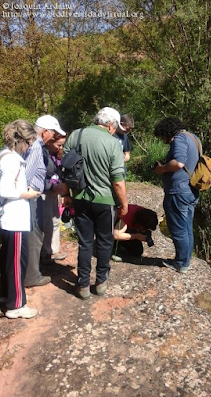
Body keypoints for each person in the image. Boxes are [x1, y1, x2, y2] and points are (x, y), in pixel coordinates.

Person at [62, 107, 128, 300]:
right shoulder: (112, 142)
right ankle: (100, 283)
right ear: (110, 125)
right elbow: (117, 180)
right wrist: (124, 205)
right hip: (105, 202)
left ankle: (82, 285)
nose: (115, 132)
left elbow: (65, 168)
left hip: (80, 198)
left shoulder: (75, 135)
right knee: (105, 241)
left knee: (85, 243)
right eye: (115, 128)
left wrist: (66, 194)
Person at [0, 120, 41, 319]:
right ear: (20, 140)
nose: (30, 146)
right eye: (29, 142)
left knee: (9, 262)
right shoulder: (11, 160)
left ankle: (7, 298)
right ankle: (16, 305)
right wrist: (28, 194)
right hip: (13, 219)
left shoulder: (5, 156)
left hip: (11, 219)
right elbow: (5, 190)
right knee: (16, 263)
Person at [153, 117, 200, 274]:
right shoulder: (193, 138)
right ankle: (185, 260)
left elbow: (179, 163)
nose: (162, 140)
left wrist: (163, 169)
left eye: (162, 136)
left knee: (178, 229)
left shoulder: (179, 139)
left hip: (178, 192)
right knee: (187, 228)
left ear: (167, 132)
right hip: (190, 190)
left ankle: (180, 263)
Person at [24, 115, 66, 287]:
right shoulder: (35, 147)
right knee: (35, 233)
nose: (54, 137)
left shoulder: (38, 146)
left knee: (39, 230)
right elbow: (27, 176)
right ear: (46, 132)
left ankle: (32, 272)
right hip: (32, 196)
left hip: (37, 194)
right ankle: (32, 275)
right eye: (54, 133)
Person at [40, 134, 67, 264]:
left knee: (56, 220)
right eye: (59, 144)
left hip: (55, 192)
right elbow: (39, 178)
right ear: (50, 142)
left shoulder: (58, 155)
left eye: (62, 145)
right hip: (44, 193)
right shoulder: (42, 154)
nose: (60, 147)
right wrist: (51, 186)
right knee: (47, 223)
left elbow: (60, 172)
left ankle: (54, 250)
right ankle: (45, 252)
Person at [113, 114, 134, 179]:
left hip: (120, 169)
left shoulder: (125, 136)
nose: (128, 131)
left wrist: (123, 159)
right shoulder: (111, 134)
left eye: (130, 129)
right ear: (121, 124)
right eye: (127, 129)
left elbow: (127, 154)